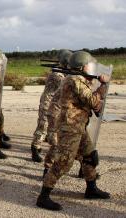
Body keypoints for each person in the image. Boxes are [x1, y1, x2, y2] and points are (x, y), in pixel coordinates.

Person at [36, 51, 110, 211]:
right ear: (83, 66)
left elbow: (91, 102)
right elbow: (92, 100)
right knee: (64, 162)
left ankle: (91, 188)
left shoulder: (82, 80)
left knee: (90, 156)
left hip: (79, 126)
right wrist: (103, 85)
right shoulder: (74, 80)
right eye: (90, 65)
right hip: (70, 128)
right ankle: (43, 196)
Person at [31, 49, 72, 162]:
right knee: (42, 126)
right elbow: (65, 84)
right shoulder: (57, 74)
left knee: (54, 128)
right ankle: (35, 148)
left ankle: (46, 144)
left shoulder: (62, 71)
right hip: (47, 103)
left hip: (56, 104)